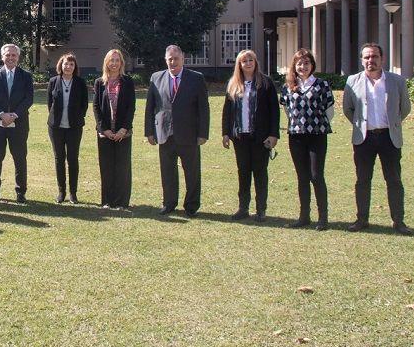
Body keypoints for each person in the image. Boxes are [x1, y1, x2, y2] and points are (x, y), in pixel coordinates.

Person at [342, 43, 412, 235]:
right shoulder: (352, 81)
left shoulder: (397, 81)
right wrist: (361, 125)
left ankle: (398, 221)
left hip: (389, 138)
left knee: (394, 180)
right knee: (363, 180)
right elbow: (348, 109)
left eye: (374, 57)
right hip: (364, 139)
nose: (370, 61)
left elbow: (404, 108)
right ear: (361, 60)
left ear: (382, 59)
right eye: (366, 57)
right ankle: (362, 219)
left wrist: (393, 123)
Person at [144, 44, 209, 217]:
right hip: (165, 134)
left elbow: (204, 108)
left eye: (176, 59)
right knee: (167, 172)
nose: (173, 62)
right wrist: (149, 132)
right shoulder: (156, 78)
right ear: (166, 60)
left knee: (192, 172)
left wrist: (203, 134)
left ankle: (191, 206)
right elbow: (150, 107)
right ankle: (169, 203)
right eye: (169, 59)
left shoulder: (196, 78)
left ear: (183, 59)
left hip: (189, 134)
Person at [221, 50, 279, 222]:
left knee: (260, 173)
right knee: (243, 172)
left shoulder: (265, 83)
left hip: (260, 137)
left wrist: (273, 135)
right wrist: (225, 133)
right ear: (239, 64)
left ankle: (261, 209)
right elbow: (227, 112)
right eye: (244, 61)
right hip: (240, 137)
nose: (248, 63)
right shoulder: (233, 84)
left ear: (255, 62)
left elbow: (274, 111)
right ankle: (243, 208)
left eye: (250, 60)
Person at [279, 48, 333, 230]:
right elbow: (287, 110)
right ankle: (304, 216)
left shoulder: (321, 85)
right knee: (302, 177)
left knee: (316, 176)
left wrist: (315, 124)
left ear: (312, 65)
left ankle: (323, 217)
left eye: (306, 63)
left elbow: (329, 111)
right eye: (299, 63)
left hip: (317, 136)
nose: (303, 67)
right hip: (296, 136)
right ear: (294, 66)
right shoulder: (288, 86)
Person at [0, 44, 34, 203]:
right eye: (8, 55)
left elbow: (29, 98)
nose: (10, 58)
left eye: (14, 55)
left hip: (19, 124)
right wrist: (2, 114)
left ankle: (21, 192)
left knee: (20, 159)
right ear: (2, 56)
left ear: (18, 57)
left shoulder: (26, 76)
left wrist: (14, 115)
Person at [92, 49, 136, 209]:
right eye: (112, 60)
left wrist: (123, 129)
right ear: (106, 63)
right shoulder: (99, 82)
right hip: (105, 133)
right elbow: (96, 107)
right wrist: (104, 130)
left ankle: (122, 202)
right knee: (106, 167)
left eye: (117, 60)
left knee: (122, 167)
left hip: (123, 132)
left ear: (121, 63)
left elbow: (131, 107)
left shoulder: (128, 82)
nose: (114, 63)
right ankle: (107, 201)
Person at [47, 52, 89, 203]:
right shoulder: (53, 81)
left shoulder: (80, 83)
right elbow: (49, 103)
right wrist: (56, 119)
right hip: (56, 127)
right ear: (61, 65)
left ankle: (73, 193)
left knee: (73, 159)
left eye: (71, 64)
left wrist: (77, 117)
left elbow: (85, 104)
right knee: (59, 159)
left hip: (74, 127)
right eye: (66, 63)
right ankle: (61, 192)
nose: (68, 66)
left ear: (75, 66)